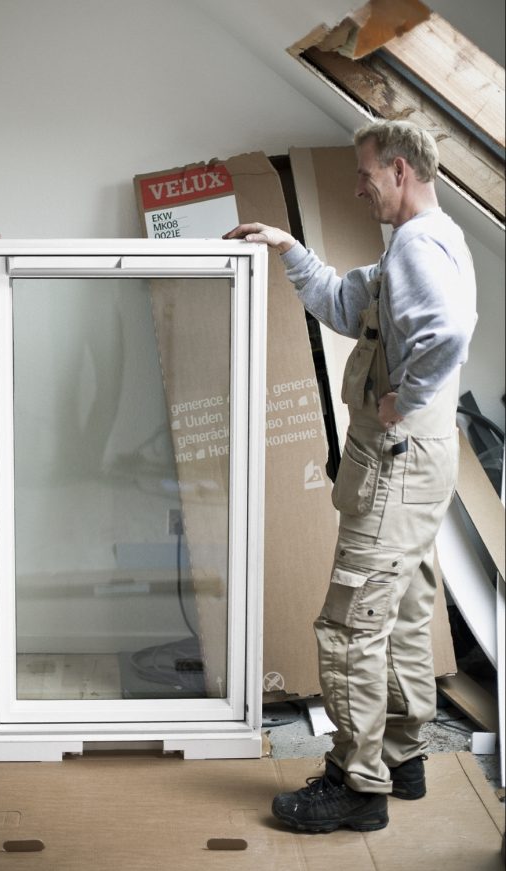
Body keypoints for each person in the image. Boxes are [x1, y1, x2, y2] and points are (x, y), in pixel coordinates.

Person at [225, 119, 477, 833]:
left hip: (396, 465)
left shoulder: (419, 250)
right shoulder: (425, 240)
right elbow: (342, 302)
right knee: (396, 611)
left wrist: (408, 397)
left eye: (365, 173)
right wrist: (289, 247)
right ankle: (401, 756)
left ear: (399, 170)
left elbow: (449, 333)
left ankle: (356, 784)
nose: (358, 185)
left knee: (348, 625)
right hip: (417, 465)